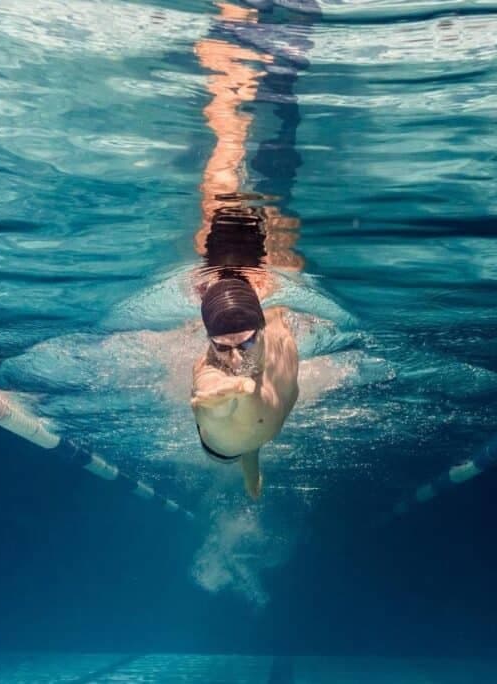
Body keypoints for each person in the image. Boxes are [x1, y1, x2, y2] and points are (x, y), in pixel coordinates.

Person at [190, 2, 304, 500]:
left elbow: (207, 399)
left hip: (244, 284)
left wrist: (227, 390)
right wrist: (252, 479)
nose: (234, 360)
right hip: (231, 280)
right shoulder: (252, 430)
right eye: (233, 349)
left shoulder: (238, 413)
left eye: (228, 350)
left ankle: (229, 60)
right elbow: (245, 446)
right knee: (254, 177)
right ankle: (272, 75)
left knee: (232, 160)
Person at [192, 276, 298, 500]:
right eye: (221, 346)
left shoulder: (278, 327)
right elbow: (207, 379)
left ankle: (251, 459)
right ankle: (249, 458)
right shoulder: (211, 362)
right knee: (242, 434)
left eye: (246, 343)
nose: (235, 360)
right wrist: (219, 400)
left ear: (262, 329)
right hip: (223, 445)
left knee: (251, 439)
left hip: (254, 429)